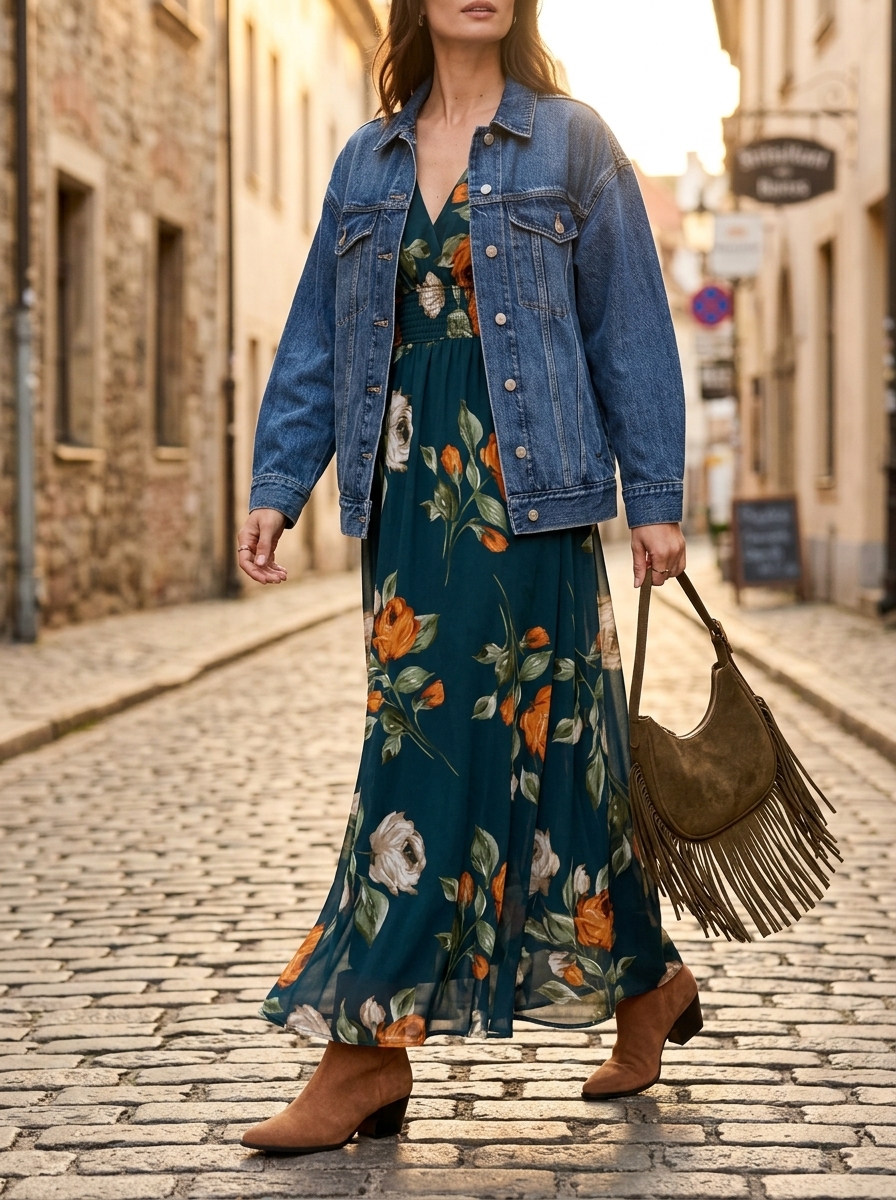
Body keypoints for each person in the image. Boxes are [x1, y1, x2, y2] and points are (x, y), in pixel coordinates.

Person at [237, 0, 701, 1157]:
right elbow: (313, 338)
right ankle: (646, 985)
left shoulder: (571, 141)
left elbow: (631, 327)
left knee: (467, 751)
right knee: (556, 765)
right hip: (410, 510)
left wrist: (654, 497)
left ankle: (361, 1054)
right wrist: (277, 481)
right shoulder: (366, 159)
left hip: (529, 501)